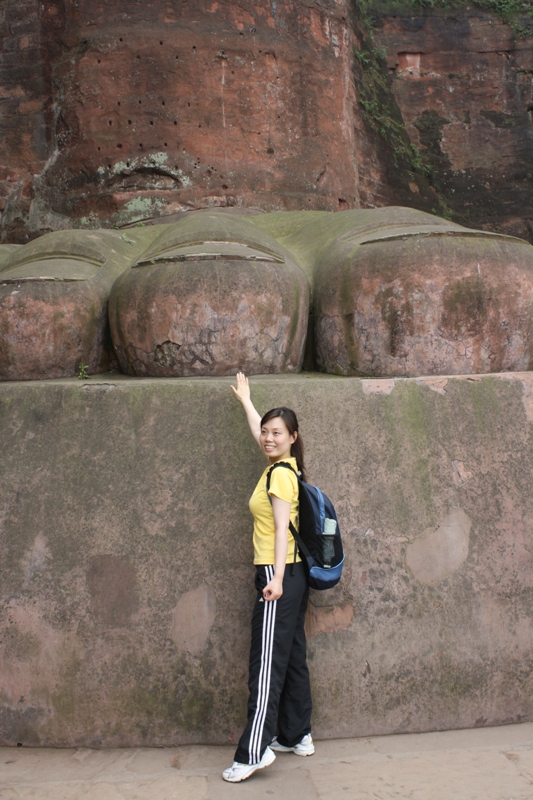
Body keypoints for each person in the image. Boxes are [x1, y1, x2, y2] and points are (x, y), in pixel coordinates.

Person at [222, 372, 314, 783]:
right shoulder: (284, 466)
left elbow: (280, 530)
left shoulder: (279, 475)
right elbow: (262, 428)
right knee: (292, 655)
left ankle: (253, 751)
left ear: (293, 436)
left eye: (277, 433)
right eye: (265, 432)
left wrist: (274, 579)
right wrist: (247, 402)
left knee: (265, 664)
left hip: (278, 575)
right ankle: (297, 735)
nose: (268, 438)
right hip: (292, 575)